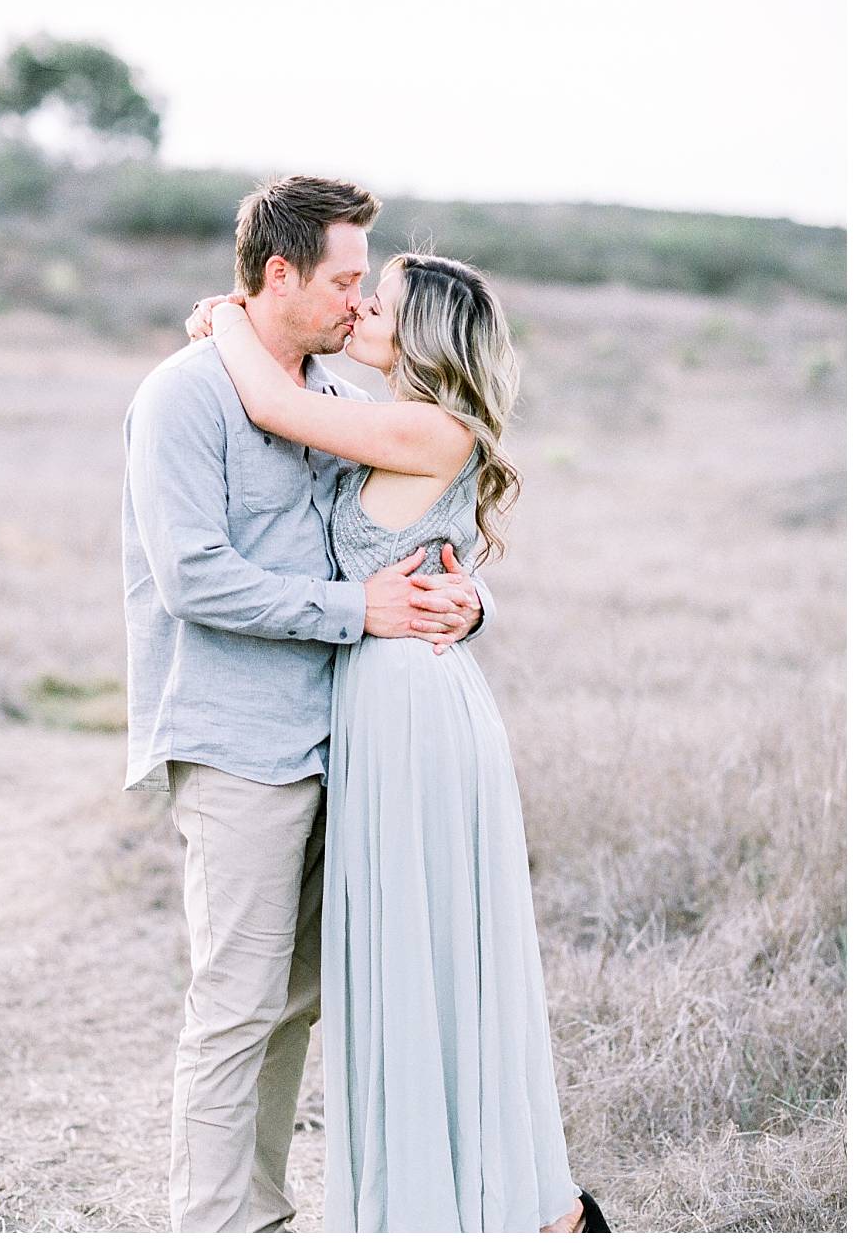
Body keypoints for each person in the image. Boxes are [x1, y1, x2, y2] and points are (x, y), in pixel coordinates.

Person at [190, 243, 611, 1233]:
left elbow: (276, 408)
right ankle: (457, 1196)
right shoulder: (398, 419)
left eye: (373, 306)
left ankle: (497, 1205)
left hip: (413, 711)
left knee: (426, 950)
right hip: (388, 701)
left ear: (414, 334)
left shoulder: (425, 424)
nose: (356, 316)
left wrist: (228, 322)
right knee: (405, 952)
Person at [122, 176, 495, 1233]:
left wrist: (466, 602)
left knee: (297, 1000)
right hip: (240, 740)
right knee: (234, 1008)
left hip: (348, 741)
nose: (357, 299)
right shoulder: (184, 395)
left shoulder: (339, 401)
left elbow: (415, 524)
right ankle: (213, 1224)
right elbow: (193, 575)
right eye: (342, 279)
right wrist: (360, 609)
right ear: (277, 274)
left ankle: (265, 1212)